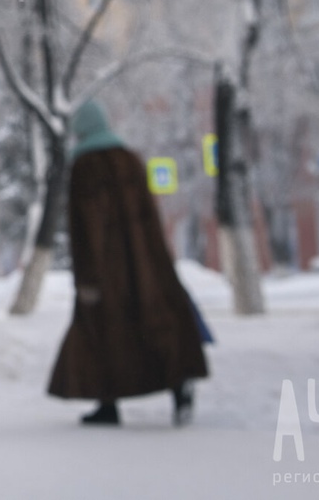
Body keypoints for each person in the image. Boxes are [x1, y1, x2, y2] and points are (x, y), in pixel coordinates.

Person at [47, 100, 209, 427]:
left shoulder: (86, 167)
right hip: (147, 263)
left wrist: (88, 277)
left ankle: (107, 402)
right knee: (155, 324)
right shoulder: (130, 159)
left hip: (108, 271)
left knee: (102, 332)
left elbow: (86, 226)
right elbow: (150, 215)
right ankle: (179, 385)